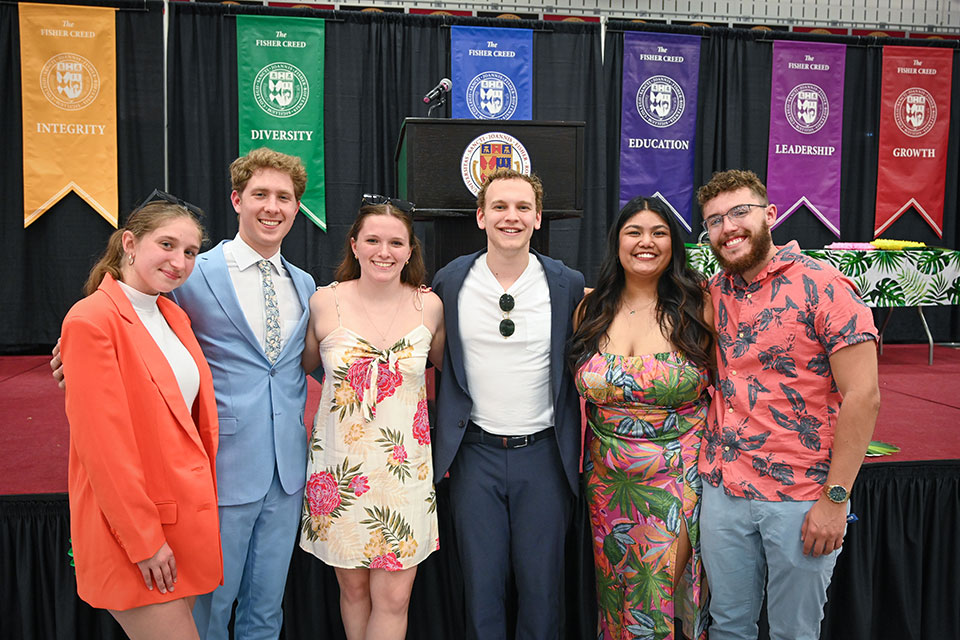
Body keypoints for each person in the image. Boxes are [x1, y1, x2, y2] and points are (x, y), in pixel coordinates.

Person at [696, 169, 881, 640]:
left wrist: (835, 500)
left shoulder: (825, 286)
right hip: (724, 491)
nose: (729, 227)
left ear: (771, 215)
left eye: (740, 212)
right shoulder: (713, 292)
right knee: (727, 626)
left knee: (794, 632)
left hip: (800, 499)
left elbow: (864, 396)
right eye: (715, 220)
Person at [164, 149, 317, 640]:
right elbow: (136, 321)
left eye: (284, 198)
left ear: (296, 208)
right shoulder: (195, 273)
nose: (272, 207)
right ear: (237, 200)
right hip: (222, 468)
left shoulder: (306, 283)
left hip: (287, 472)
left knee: (266, 611)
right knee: (211, 608)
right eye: (261, 195)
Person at [431, 168, 585, 640]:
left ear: (539, 218)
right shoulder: (450, 281)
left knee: (542, 592)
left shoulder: (567, 285)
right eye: (499, 207)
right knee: (481, 588)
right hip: (474, 455)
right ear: (480, 216)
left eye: (522, 208)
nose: (510, 217)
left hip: (544, 456)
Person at [61, 201, 220, 640]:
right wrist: (144, 541)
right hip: (135, 535)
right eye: (167, 245)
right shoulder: (91, 320)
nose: (179, 261)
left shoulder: (172, 315)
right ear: (130, 243)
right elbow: (104, 450)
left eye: (190, 252)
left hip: (180, 525)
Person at [568, 196, 715, 640]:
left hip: (676, 475)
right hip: (607, 479)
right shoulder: (590, 309)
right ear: (616, 242)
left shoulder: (699, 307)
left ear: (674, 243)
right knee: (617, 596)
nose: (645, 242)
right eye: (634, 232)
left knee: (658, 594)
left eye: (659, 232)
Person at [298, 195, 444, 639]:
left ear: (410, 250)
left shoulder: (430, 306)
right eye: (374, 240)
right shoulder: (324, 303)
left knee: (395, 598)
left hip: (405, 476)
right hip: (341, 474)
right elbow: (302, 368)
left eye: (396, 242)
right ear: (354, 245)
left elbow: (451, 370)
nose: (385, 251)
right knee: (355, 590)